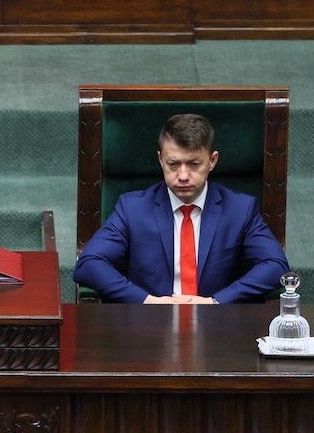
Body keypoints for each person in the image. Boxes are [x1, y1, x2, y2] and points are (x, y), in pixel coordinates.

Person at [73, 113, 289, 304]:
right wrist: (147, 301)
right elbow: (89, 264)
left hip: (215, 325)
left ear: (212, 161)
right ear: (160, 160)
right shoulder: (133, 208)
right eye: (173, 164)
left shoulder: (240, 209)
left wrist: (215, 302)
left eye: (194, 164)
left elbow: (276, 265)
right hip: (148, 326)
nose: (183, 176)